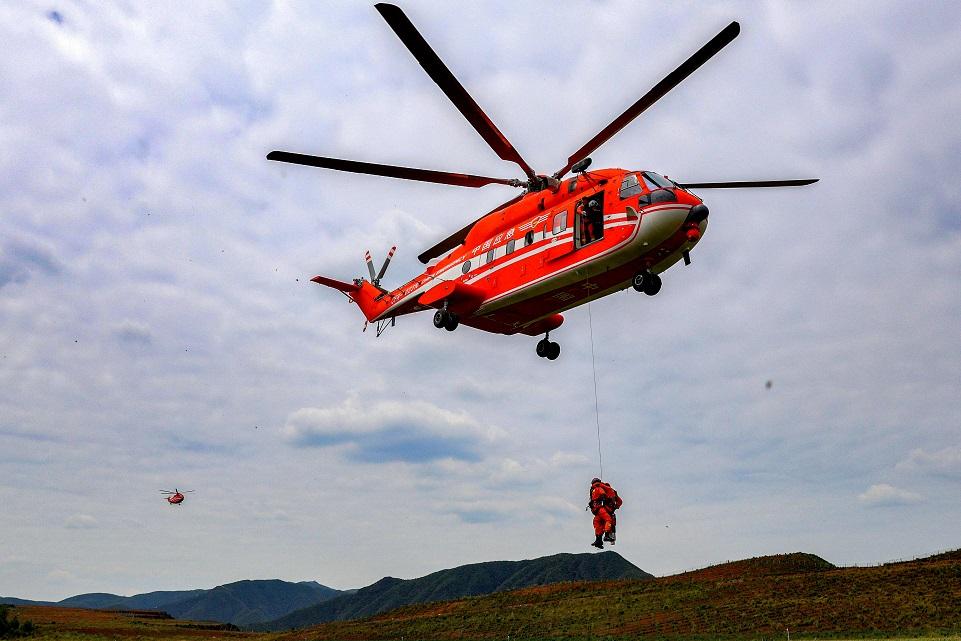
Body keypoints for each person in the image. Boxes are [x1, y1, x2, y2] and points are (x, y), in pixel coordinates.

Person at [588, 477, 622, 548]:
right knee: (608, 521)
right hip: (605, 511)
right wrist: (616, 506)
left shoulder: (595, 489)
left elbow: (602, 495)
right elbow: (620, 501)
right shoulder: (612, 492)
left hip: (597, 512)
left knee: (597, 524)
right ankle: (606, 536)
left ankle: (598, 540)